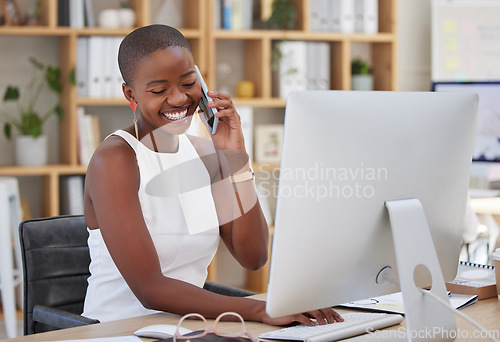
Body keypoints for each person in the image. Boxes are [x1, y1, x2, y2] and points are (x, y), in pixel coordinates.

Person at [82, 24, 342, 327]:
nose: (179, 99)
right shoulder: (115, 159)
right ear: (131, 93)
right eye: (159, 90)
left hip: (187, 328)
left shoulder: (205, 155)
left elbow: (253, 256)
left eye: (188, 82)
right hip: (119, 330)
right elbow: (149, 289)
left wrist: (235, 157)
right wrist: (260, 310)